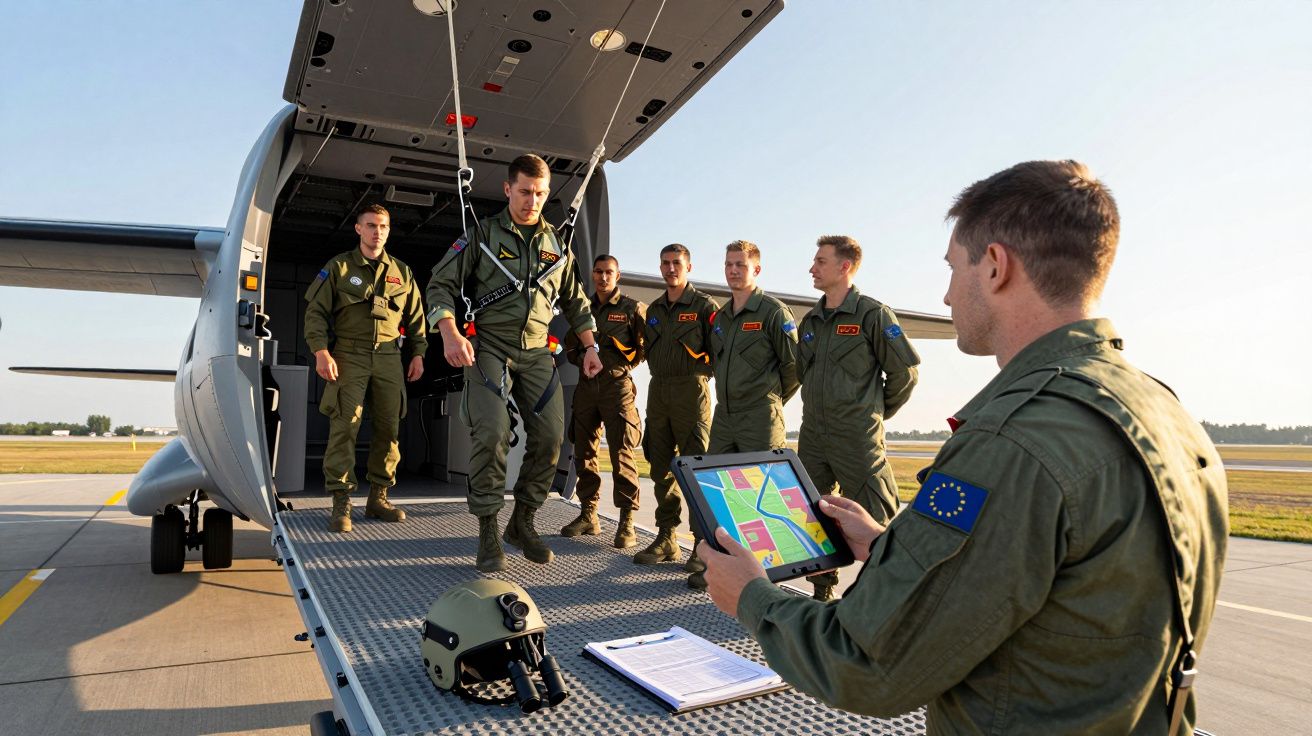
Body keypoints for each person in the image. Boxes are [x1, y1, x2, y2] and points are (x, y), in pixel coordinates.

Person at [698, 160, 1228, 733]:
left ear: (996, 266)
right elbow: (1061, 597)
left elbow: (866, 664)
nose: (947, 295)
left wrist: (751, 597)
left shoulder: (1012, 440)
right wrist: (888, 548)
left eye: (954, 268)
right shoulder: (1165, 411)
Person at [426, 154, 603, 572]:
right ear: (508, 189)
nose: (533, 201)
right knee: (493, 432)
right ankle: (488, 530)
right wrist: (450, 333)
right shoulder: (481, 235)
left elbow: (576, 301)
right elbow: (440, 285)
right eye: (525, 192)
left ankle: (522, 522)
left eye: (541, 194)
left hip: (538, 351)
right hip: (489, 346)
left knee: (550, 438)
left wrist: (591, 347)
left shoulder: (557, 245)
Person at [796, 235, 920, 601]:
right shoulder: (811, 321)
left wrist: (874, 412)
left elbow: (905, 373)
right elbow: (804, 372)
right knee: (814, 513)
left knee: (873, 515)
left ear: (844, 266)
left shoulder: (872, 314)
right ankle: (822, 593)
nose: (812, 268)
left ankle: (878, 599)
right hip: (814, 436)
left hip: (857, 437)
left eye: (820, 261)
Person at [304, 204, 429, 533]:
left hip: (389, 356)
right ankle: (341, 502)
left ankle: (378, 498)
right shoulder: (340, 268)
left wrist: (418, 354)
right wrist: (321, 351)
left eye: (383, 226)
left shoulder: (402, 272)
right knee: (345, 426)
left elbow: (417, 320)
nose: (378, 232)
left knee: (389, 428)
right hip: (349, 354)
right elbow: (315, 313)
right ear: (358, 229)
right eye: (371, 225)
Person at [696, 239, 800, 590]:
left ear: (756, 269)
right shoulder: (721, 317)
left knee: (765, 494)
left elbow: (793, 368)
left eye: (740, 264)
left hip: (760, 414)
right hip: (726, 416)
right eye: (729, 264)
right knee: (715, 490)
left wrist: (769, 399)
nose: (733, 270)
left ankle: (770, 575)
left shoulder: (773, 312)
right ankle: (715, 566)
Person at [632, 244, 720, 570]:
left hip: (691, 390)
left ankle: (702, 544)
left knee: (696, 469)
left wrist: (701, 378)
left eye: (677, 263)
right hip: (659, 390)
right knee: (660, 466)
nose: (671, 269)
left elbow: (718, 352)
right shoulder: (653, 309)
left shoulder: (703, 306)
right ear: (660, 268)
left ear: (689, 267)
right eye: (666, 263)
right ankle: (667, 537)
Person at [560, 255, 647, 549]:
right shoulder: (582, 308)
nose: (602, 277)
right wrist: (582, 358)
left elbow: (643, 347)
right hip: (586, 386)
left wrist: (618, 365)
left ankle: (626, 522)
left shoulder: (632, 308)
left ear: (617, 275)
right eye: (598, 272)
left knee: (622, 452)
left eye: (608, 272)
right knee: (583, 449)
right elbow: (570, 345)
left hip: (617, 387)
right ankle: (589, 514)